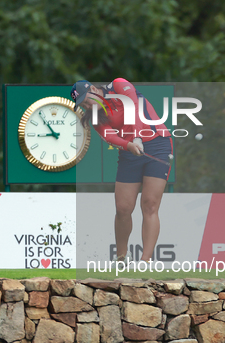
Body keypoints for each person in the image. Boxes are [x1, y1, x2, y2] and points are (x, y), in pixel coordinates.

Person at [71, 78, 173, 262]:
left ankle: (145, 261)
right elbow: (110, 136)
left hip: (158, 142)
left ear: (94, 89)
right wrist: (129, 145)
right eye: (83, 105)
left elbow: (133, 107)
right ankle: (121, 257)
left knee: (149, 204)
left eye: (87, 100)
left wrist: (137, 137)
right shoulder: (95, 116)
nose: (87, 106)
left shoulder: (118, 85)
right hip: (130, 151)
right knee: (123, 208)